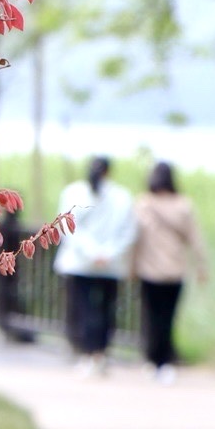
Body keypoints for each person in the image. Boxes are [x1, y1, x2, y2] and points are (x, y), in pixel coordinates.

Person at [53, 155, 137, 368]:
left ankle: (86, 352)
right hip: (111, 265)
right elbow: (128, 231)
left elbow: (68, 228)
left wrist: (91, 253)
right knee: (106, 311)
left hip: (79, 264)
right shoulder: (122, 197)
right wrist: (106, 253)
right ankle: (100, 352)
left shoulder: (73, 192)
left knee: (83, 309)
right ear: (109, 172)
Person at [134, 160, 207, 379]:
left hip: (149, 270)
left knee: (150, 316)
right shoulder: (183, 206)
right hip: (175, 271)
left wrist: (130, 266)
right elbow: (195, 239)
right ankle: (164, 361)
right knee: (168, 318)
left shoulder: (143, 204)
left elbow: (134, 239)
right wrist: (202, 266)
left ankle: (151, 359)